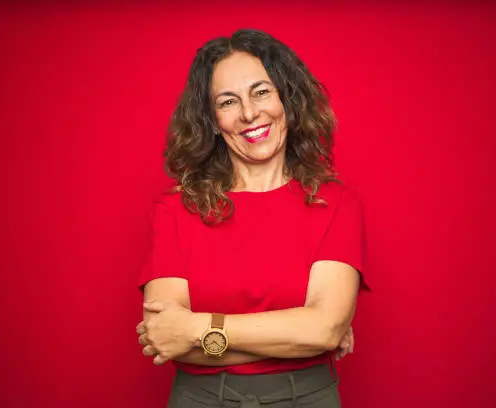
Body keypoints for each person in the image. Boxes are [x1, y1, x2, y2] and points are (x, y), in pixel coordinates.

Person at [135, 29, 368, 408]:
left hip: (306, 399)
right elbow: (166, 337)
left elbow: (324, 330)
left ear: (286, 101)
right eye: (228, 101)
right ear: (211, 120)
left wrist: (197, 329)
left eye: (261, 92)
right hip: (202, 400)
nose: (248, 113)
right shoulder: (175, 210)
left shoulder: (336, 204)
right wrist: (295, 338)